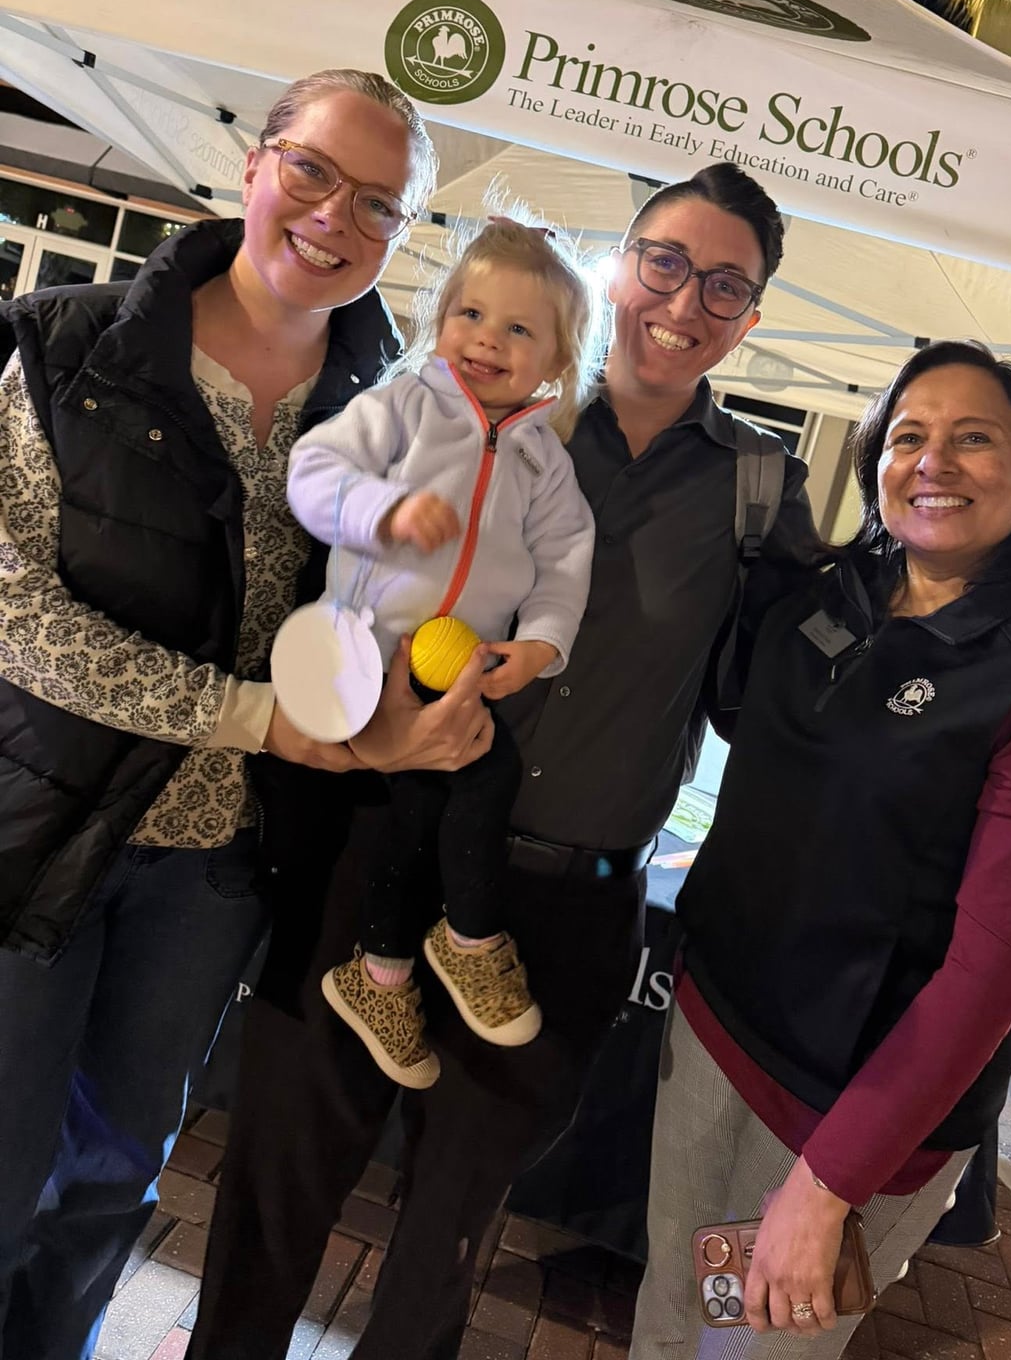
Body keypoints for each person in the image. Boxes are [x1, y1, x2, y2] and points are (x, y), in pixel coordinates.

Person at [186, 163, 824, 1360]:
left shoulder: (756, 489)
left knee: (449, 1236)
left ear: (752, 317)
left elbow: (766, 700)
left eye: (726, 287)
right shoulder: (474, 404)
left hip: (564, 907)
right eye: (666, 263)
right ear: (619, 263)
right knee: (278, 1183)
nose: (684, 304)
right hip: (379, 850)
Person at [0, 67, 493, 1360]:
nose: (335, 217)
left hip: (215, 877)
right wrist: (256, 719)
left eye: (380, 206)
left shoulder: (399, 421)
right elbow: (17, 621)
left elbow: (407, 611)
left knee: (109, 1181)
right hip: (31, 838)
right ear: (254, 166)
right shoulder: (63, 346)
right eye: (315, 171)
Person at [631, 341, 1011, 1360]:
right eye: (910, 435)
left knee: (744, 1353)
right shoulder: (834, 592)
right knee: (671, 1313)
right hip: (716, 1027)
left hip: (841, 1111)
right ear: (875, 463)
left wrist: (829, 1184)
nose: (934, 460)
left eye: (974, 439)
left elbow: (997, 974)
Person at [280, 216, 600, 1082]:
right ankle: (464, 938)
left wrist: (539, 647)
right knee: (450, 790)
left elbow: (567, 564)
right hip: (357, 653)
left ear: (558, 365)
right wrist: (381, 511)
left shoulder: (544, 460)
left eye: (518, 329)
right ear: (439, 319)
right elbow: (312, 473)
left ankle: (389, 970)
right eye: (469, 314)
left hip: (450, 671)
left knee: (440, 801)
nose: (485, 340)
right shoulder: (403, 404)